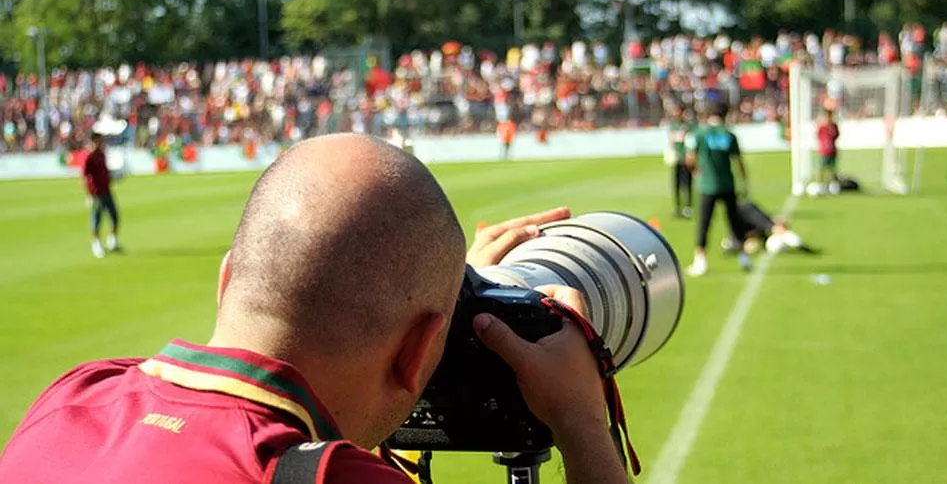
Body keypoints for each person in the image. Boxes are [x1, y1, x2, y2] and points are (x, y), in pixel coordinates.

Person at [0, 134, 631, 484]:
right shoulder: (330, 482)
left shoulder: (71, 400)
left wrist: (442, 294)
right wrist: (580, 423)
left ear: (227, 281)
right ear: (419, 355)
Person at [684, 102, 750, 277]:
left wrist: (696, 172)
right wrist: (744, 181)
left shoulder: (699, 134)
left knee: (704, 223)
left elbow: (690, 159)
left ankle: (700, 259)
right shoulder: (729, 135)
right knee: (734, 221)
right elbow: (739, 161)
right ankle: (744, 256)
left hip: (707, 185)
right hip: (727, 183)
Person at [719, 199, 818, 256]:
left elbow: (774, 225)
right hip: (747, 217)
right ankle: (799, 244)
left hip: (748, 216)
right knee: (774, 237)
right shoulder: (739, 237)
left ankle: (799, 244)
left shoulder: (750, 219)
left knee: (776, 229)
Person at [82, 132, 121, 258]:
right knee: (97, 219)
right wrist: (88, 194)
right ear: (94, 141)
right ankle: (96, 244)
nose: (102, 143)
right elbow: (84, 176)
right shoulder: (89, 156)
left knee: (114, 215)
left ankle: (112, 240)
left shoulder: (102, 154)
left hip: (106, 190)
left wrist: (113, 176)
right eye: (100, 141)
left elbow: (105, 172)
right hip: (96, 193)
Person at [665, 106, 696, 219]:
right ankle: (677, 207)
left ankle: (688, 207)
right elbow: (672, 140)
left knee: (687, 184)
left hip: (686, 158)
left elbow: (691, 140)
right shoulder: (673, 125)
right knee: (676, 184)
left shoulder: (689, 125)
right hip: (676, 159)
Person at [817, 107, 841, 194]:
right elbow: (818, 136)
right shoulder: (822, 127)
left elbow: (837, 135)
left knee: (832, 169)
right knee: (822, 168)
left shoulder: (834, 126)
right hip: (824, 151)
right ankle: (821, 185)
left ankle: (833, 185)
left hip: (832, 151)